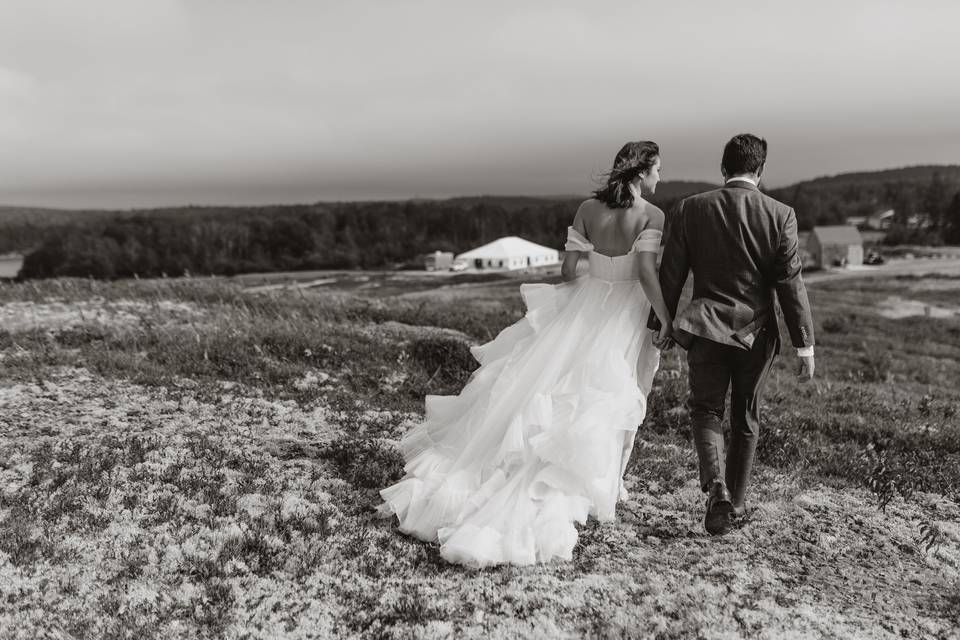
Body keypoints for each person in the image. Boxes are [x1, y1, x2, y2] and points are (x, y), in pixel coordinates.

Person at [377, 141, 671, 567]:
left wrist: (594, 273)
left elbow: (569, 270)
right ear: (643, 173)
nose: (660, 178)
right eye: (658, 170)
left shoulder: (587, 210)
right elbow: (645, 272)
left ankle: (567, 477)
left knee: (556, 388)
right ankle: (604, 484)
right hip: (624, 311)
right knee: (610, 393)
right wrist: (664, 317)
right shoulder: (652, 215)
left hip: (584, 304)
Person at [650, 133, 815, 536]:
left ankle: (716, 487)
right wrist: (804, 344)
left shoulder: (690, 209)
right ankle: (735, 505)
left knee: (705, 410)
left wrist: (661, 325)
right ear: (760, 170)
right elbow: (790, 283)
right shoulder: (781, 215)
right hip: (755, 336)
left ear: (724, 169)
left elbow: (671, 274)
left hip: (705, 330)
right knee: (745, 416)